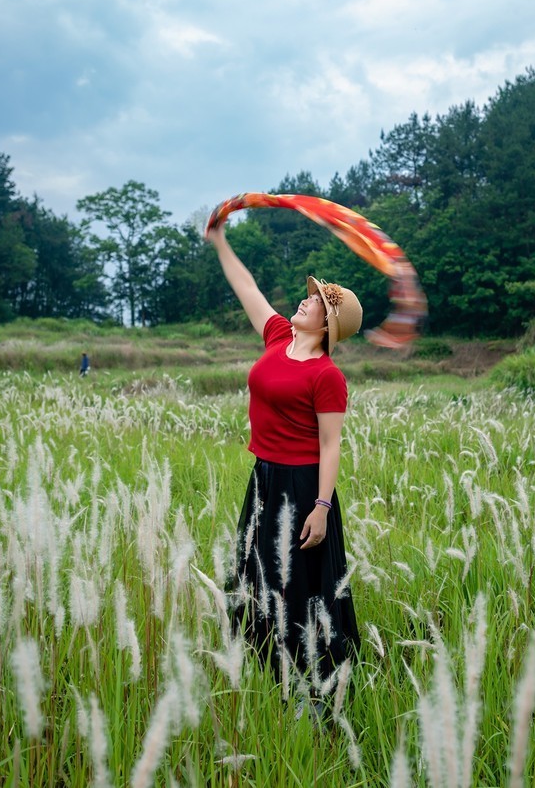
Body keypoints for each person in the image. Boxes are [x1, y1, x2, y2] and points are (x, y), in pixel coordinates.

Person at [205, 224, 361, 712]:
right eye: (309, 295)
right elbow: (247, 287)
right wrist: (220, 241)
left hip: (303, 486)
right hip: (265, 478)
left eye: (314, 301)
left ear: (327, 325)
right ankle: (260, 666)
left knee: (299, 586)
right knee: (256, 572)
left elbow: (332, 445)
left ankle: (313, 685)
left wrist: (321, 505)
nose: (305, 300)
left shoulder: (327, 375)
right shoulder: (276, 337)